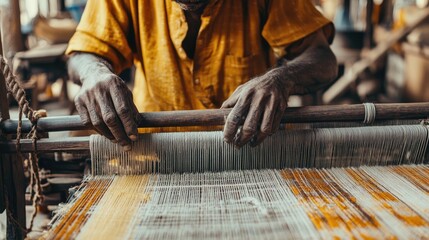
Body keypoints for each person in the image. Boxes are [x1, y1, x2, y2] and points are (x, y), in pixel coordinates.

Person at [67, 0, 338, 151]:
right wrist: (94, 73)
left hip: (252, 150)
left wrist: (280, 79)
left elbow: (322, 58)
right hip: (152, 151)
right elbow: (84, 54)